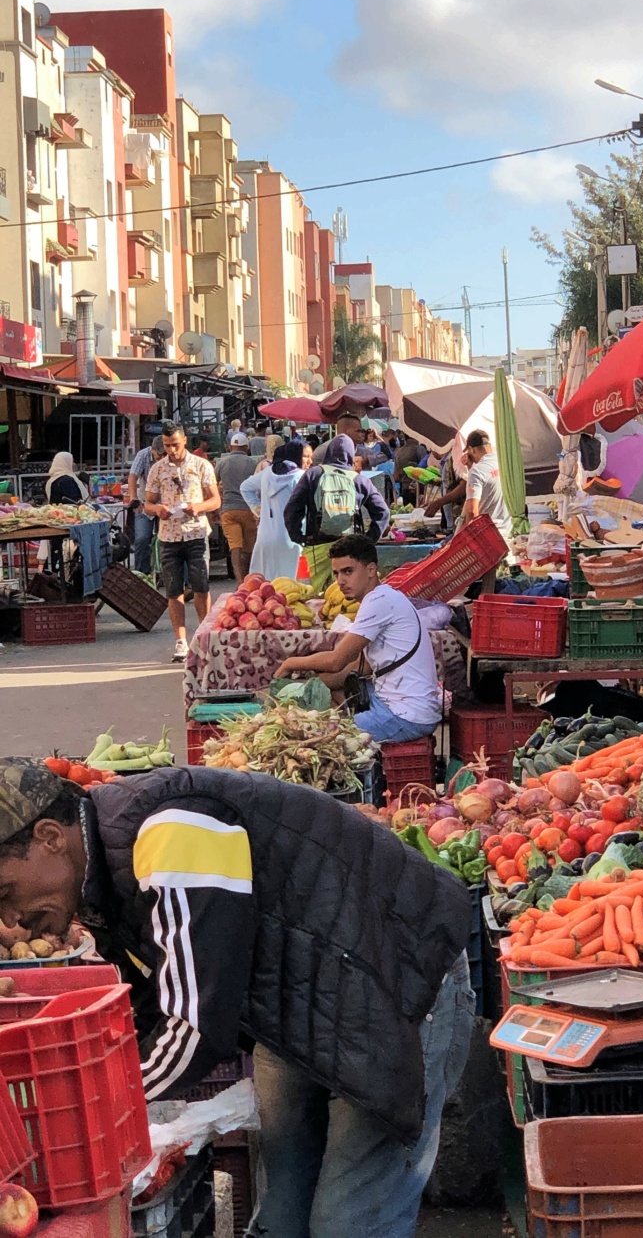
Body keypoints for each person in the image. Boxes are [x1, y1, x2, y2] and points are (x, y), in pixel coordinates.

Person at [0, 758, 473, 1238]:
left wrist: (100, 1110)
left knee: (349, 1221)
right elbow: (151, 997)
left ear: (50, 837)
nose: (12, 920)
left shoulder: (173, 832)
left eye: (6, 893)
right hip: (303, 989)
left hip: (396, 982)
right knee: (282, 1209)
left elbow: (197, 1022)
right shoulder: (102, 868)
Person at [277, 535, 443, 743]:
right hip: (400, 703)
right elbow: (362, 668)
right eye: (336, 573)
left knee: (318, 738)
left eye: (348, 571)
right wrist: (311, 685)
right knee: (331, 691)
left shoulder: (378, 601)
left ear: (371, 570)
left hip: (405, 716)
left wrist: (291, 663)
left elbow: (337, 660)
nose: (340, 581)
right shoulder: (384, 596)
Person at [144, 421, 221, 663]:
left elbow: (216, 500)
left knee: (201, 585)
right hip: (168, 536)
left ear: (184, 441)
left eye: (175, 445)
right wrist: (158, 509)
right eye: (167, 446)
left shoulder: (201, 466)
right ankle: (180, 640)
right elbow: (147, 503)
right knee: (173, 590)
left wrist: (199, 507)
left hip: (196, 532)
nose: (172, 450)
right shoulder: (157, 469)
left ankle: (205, 635)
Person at [284, 449, 390, 593]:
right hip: (350, 549)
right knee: (346, 596)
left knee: (311, 594)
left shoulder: (314, 474)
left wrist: (297, 536)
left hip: (316, 547)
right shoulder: (358, 479)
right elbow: (383, 512)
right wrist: (368, 540)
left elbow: (292, 508)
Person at [241, 440, 304, 583]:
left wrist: (258, 509)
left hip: (265, 538)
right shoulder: (301, 477)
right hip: (292, 540)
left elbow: (245, 487)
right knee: (291, 587)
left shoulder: (266, 474)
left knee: (264, 588)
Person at [215, 433, 259, 584]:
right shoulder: (253, 463)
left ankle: (240, 581)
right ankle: (247, 579)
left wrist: (216, 508)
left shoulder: (222, 463)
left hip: (228, 510)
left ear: (230, 446)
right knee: (248, 547)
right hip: (248, 509)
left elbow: (213, 485)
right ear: (246, 447)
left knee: (235, 546)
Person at [462, 429, 512, 543]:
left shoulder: (477, 471)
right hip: (509, 534)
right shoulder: (503, 461)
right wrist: (470, 467)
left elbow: (471, 511)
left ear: (471, 449)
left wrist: (469, 539)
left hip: (489, 538)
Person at [126, 436, 165, 575]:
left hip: (164, 505)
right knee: (142, 539)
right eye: (159, 454)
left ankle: (170, 574)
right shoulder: (143, 455)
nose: (161, 457)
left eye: (164, 454)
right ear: (152, 450)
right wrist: (133, 498)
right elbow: (132, 477)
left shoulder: (169, 458)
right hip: (145, 503)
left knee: (169, 540)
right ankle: (142, 575)